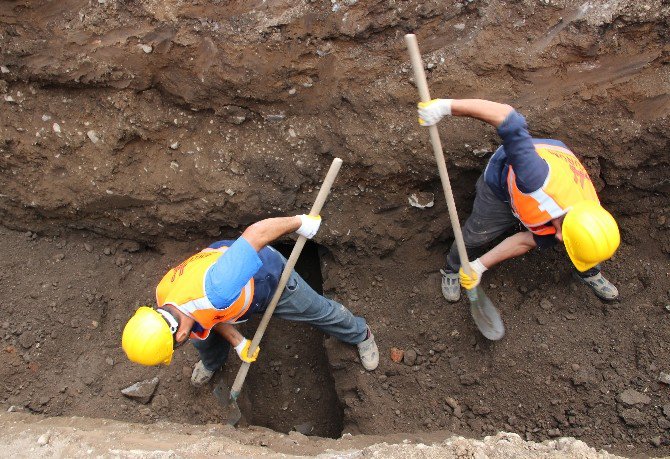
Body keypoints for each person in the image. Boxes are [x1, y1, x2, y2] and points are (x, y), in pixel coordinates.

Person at [121, 214, 379, 386]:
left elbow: (256, 234)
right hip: (226, 279)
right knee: (204, 341)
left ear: (178, 337)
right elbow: (207, 315)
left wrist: (300, 222)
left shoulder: (218, 290)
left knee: (318, 311)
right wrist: (238, 341)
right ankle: (213, 363)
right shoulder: (164, 295)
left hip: (267, 279)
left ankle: (360, 334)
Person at [417, 98, 620, 302]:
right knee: (475, 236)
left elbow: (526, 241)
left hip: (552, 174)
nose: (558, 239)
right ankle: (452, 269)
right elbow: (507, 117)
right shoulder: (534, 177)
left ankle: (588, 270)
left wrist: (479, 266)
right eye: (563, 236)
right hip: (503, 182)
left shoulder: (592, 215)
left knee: (584, 245)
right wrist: (445, 107)